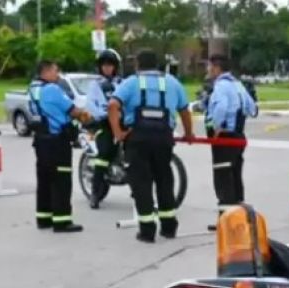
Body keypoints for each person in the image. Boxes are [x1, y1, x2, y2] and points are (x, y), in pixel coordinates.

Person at [108, 50, 194, 243]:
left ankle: (147, 230)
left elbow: (113, 105)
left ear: (138, 64)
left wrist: (117, 133)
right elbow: (184, 110)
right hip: (163, 139)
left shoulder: (130, 83)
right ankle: (169, 227)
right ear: (157, 64)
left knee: (141, 184)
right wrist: (188, 133)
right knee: (165, 181)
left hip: (137, 139)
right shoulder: (172, 82)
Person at [30, 59, 93, 233]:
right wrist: (86, 117)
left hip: (41, 140)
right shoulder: (53, 89)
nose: (57, 75)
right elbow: (72, 110)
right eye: (55, 71)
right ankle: (62, 221)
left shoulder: (33, 89)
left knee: (44, 180)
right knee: (61, 181)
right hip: (57, 141)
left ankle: (44, 218)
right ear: (46, 72)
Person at [203, 54, 258, 231]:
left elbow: (221, 107)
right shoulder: (238, 85)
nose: (208, 70)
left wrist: (216, 127)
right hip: (238, 137)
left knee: (223, 179)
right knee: (235, 177)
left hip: (224, 138)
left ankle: (226, 223)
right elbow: (253, 109)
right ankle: (239, 219)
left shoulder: (221, 86)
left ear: (216, 67)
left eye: (209, 66)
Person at [86, 48, 122, 209]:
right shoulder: (95, 84)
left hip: (122, 121)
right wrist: (104, 114)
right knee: (104, 153)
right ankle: (94, 193)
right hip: (103, 123)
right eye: (104, 65)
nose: (107, 68)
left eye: (110, 65)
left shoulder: (121, 83)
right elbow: (90, 105)